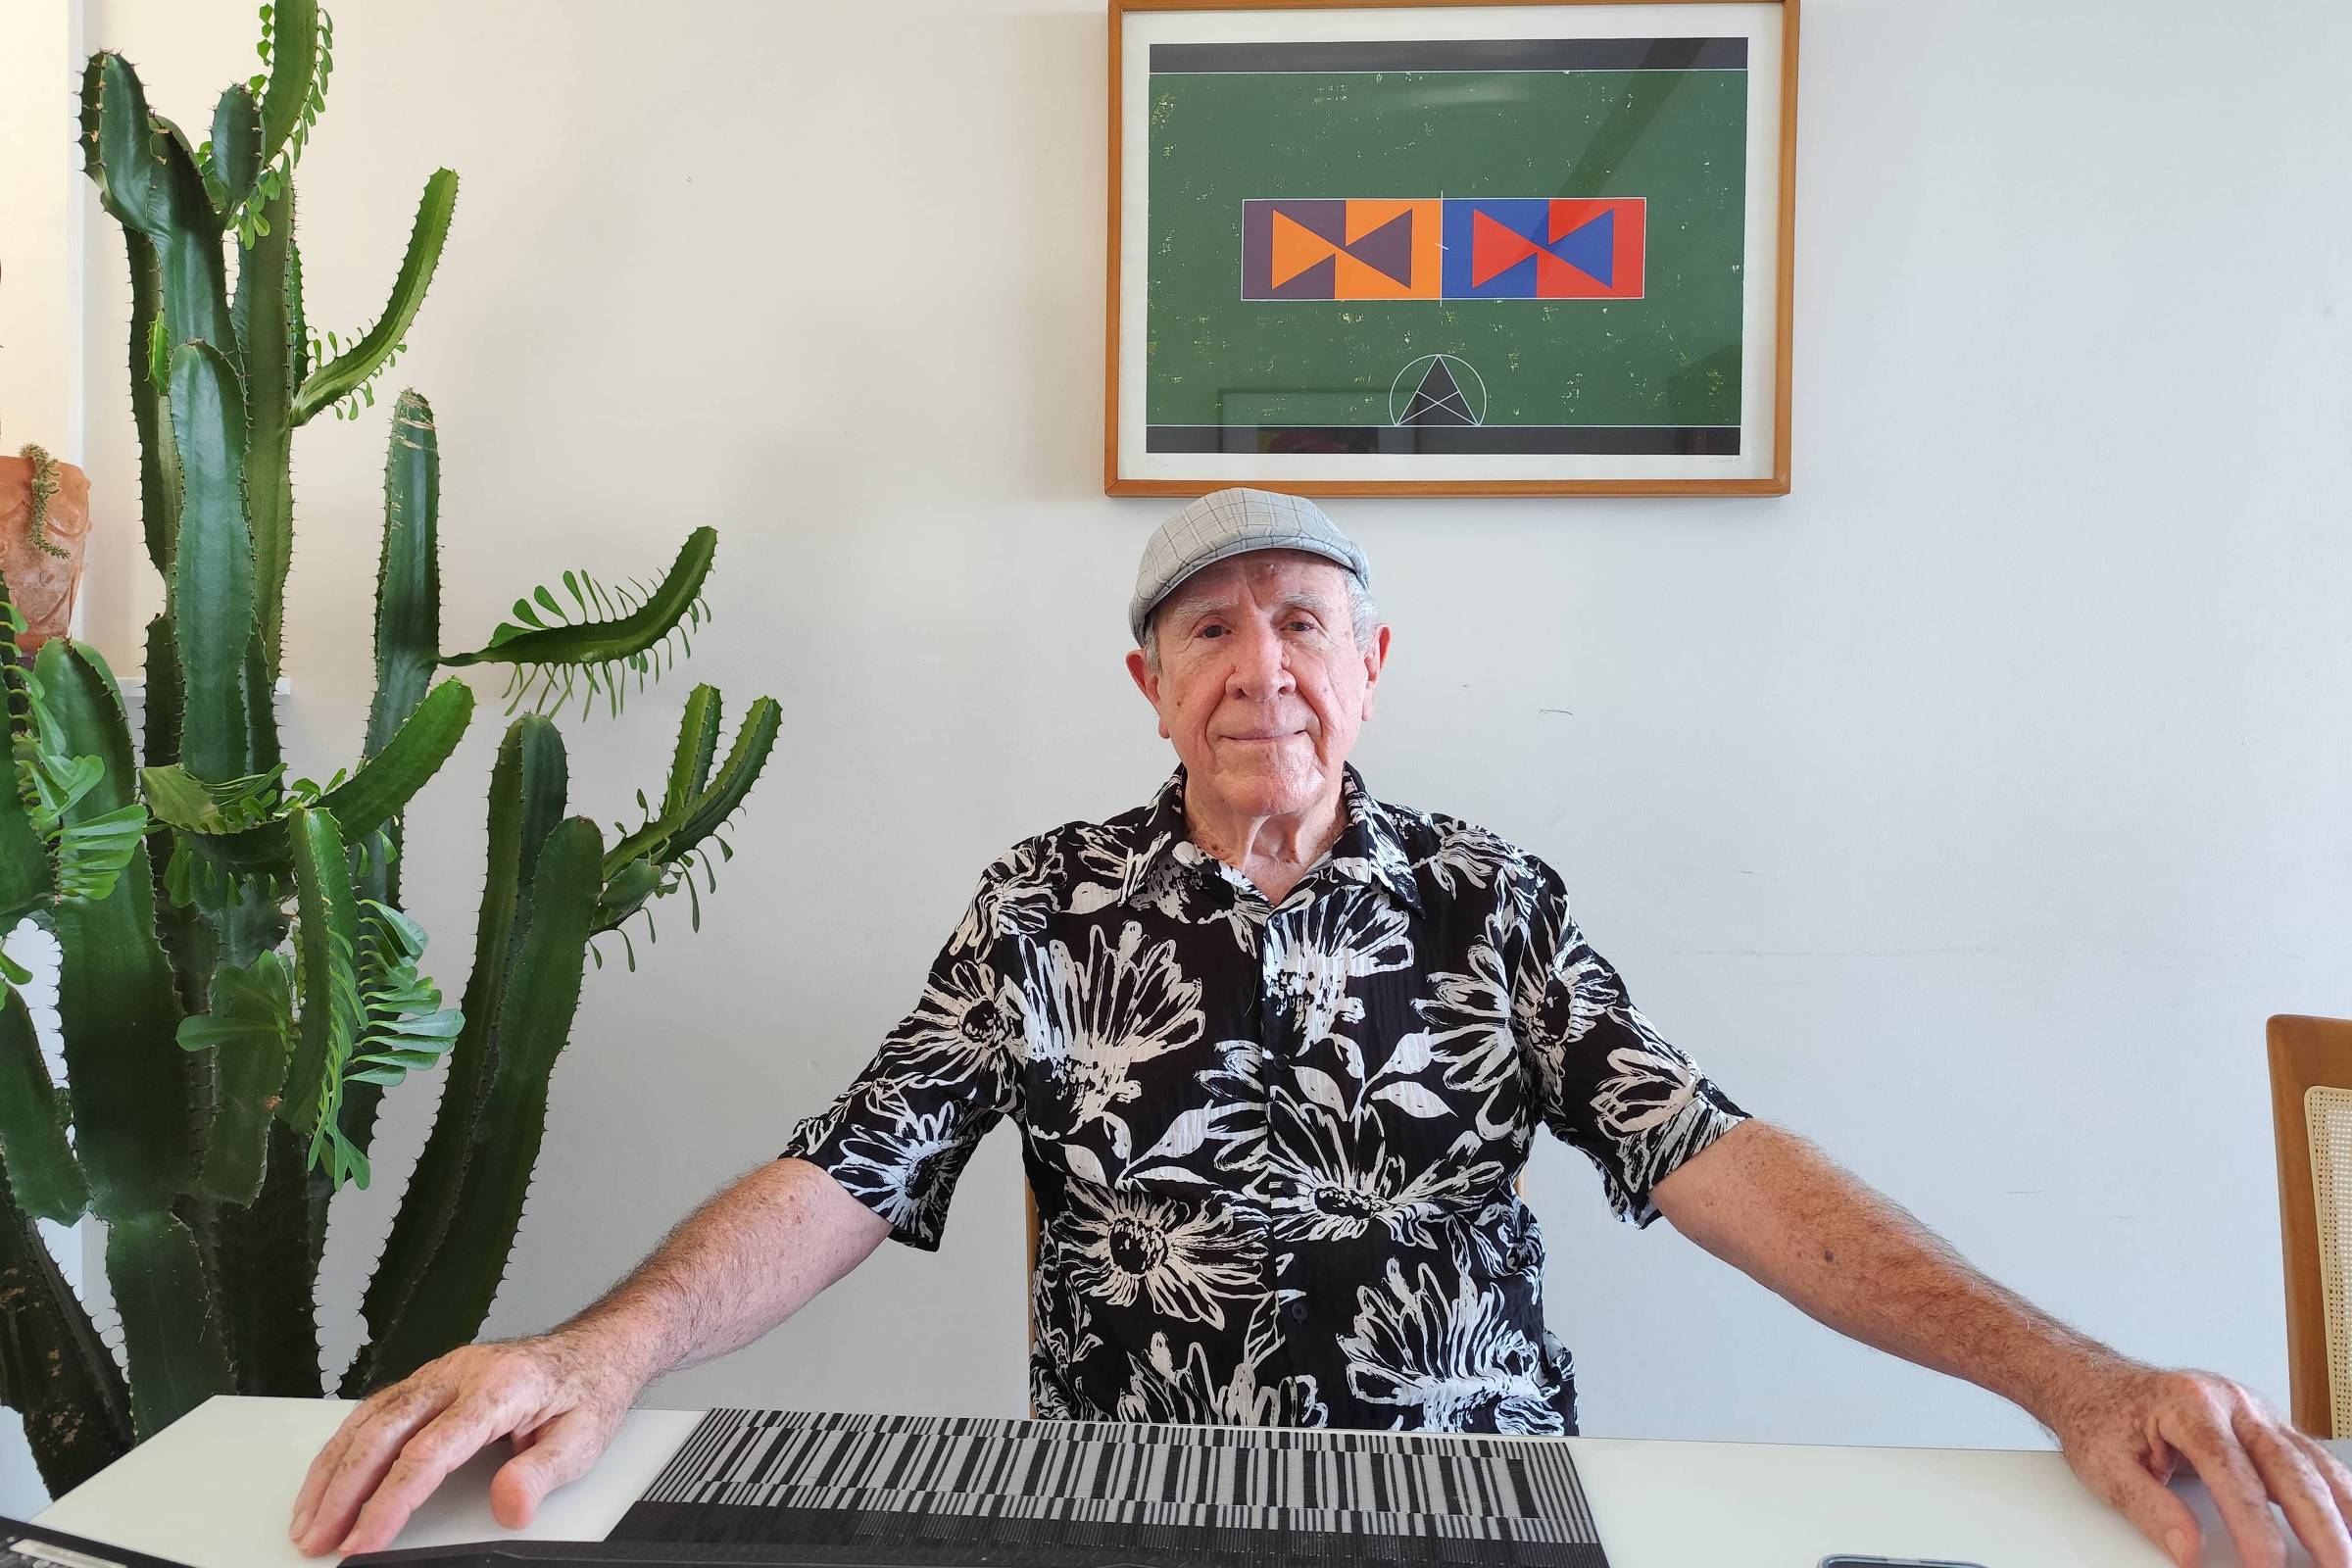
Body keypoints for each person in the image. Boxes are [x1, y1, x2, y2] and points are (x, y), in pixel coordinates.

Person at [292, 489, 2350, 1568]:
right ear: (1148, 678)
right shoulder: (1045, 900)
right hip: (1118, 1511)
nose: (1258, 658)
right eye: (1211, 622)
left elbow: (1716, 1156)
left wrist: (2069, 1374)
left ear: (1371, 664)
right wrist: (595, 1346)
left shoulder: (1494, 898)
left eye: (1302, 620)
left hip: (1480, 1510)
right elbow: (860, 1160)